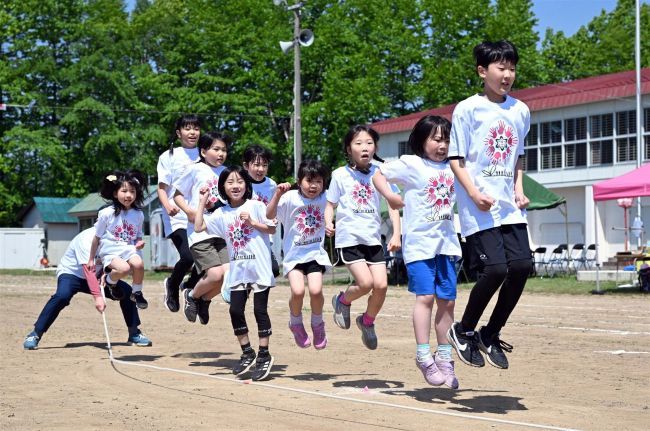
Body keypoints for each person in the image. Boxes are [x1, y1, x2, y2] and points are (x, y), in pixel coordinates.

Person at [446, 40, 532, 370]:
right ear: (483, 71)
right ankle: (463, 329)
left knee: (522, 266)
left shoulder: (520, 110)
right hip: (477, 205)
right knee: (495, 269)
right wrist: (473, 193)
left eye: (512, 68)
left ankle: (489, 334)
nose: (507, 74)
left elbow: (518, 155)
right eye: (501, 68)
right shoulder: (468, 109)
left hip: (509, 204)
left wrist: (519, 188)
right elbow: (456, 158)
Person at [373, 115, 461, 389]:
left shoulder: (455, 168)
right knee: (425, 298)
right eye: (436, 139)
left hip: (447, 245)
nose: (442, 145)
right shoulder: (411, 164)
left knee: (447, 302)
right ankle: (424, 355)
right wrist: (391, 196)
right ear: (422, 140)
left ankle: (444, 357)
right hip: (420, 246)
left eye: (446, 140)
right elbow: (379, 175)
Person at [194, 165, 276, 381]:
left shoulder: (257, 205)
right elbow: (198, 227)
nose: (235, 186)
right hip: (238, 269)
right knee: (235, 311)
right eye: (230, 182)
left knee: (260, 310)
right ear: (223, 187)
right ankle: (247, 352)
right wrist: (203, 200)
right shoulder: (221, 213)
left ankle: (264, 355)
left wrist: (253, 222)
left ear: (246, 185)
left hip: (259, 267)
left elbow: (272, 229)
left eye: (239, 181)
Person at [325, 124, 401, 350]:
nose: (364, 147)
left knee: (381, 285)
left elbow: (393, 204)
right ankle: (342, 301)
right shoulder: (339, 174)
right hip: (349, 238)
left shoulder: (381, 172)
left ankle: (367, 321)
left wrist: (396, 233)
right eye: (358, 143)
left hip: (373, 239)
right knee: (365, 283)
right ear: (349, 149)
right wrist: (329, 221)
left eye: (369, 143)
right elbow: (330, 204)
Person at [23, 228, 152, 350]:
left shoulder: (117, 238)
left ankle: (134, 333)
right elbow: (88, 270)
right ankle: (35, 333)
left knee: (128, 292)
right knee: (62, 295)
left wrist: (106, 273)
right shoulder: (86, 239)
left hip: (97, 275)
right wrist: (98, 297)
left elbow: (113, 263)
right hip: (72, 274)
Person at [266, 159, 332, 350]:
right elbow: (270, 215)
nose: (313, 186)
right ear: (299, 180)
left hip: (315, 253)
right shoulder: (290, 197)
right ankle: (295, 323)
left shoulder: (325, 198)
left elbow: (334, 209)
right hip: (294, 255)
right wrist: (278, 195)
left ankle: (317, 324)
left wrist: (330, 226)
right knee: (297, 291)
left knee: (316, 290)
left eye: (319, 181)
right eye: (309, 180)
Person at [173, 131, 230, 325]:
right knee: (215, 274)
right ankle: (191, 294)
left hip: (222, 230)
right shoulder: (195, 169)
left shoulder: (227, 172)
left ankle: (204, 300)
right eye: (216, 149)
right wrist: (189, 211)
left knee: (227, 276)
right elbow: (177, 194)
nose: (221, 153)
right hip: (200, 231)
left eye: (224, 150)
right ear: (204, 151)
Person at [157, 114, 203, 313]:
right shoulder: (169, 156)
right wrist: (167, 206)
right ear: (178, 133)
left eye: (196, 128)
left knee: (208, 260)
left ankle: (189, 285)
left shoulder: (205, 154)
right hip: (177, 217)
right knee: (187, 257)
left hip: (200, 216)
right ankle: (173, 284)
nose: (192, 132)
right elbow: (161, 188)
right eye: (187, 128)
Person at [88, 170, 148, 310]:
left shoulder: (138, 214)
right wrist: (91, 259)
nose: (129, 195)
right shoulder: (106, 213)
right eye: (124, 191)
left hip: (129, 248)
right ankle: (110, 281)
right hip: (110, 250)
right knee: (125, 269)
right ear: (115, 194)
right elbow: (97, 237)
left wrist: (139, 242)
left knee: (138, 264)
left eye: (132, 191)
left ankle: (137, 292)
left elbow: (138, 235)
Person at [242, 144, 280, 278]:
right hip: (244, 236)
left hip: (264, 234)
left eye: (264, 165)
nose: (261, 169)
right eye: (256, 165)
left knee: (273, 270)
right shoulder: (241, 183)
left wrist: (274, 218)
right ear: (246, 166)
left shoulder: (271, 185)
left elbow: (273, 208)